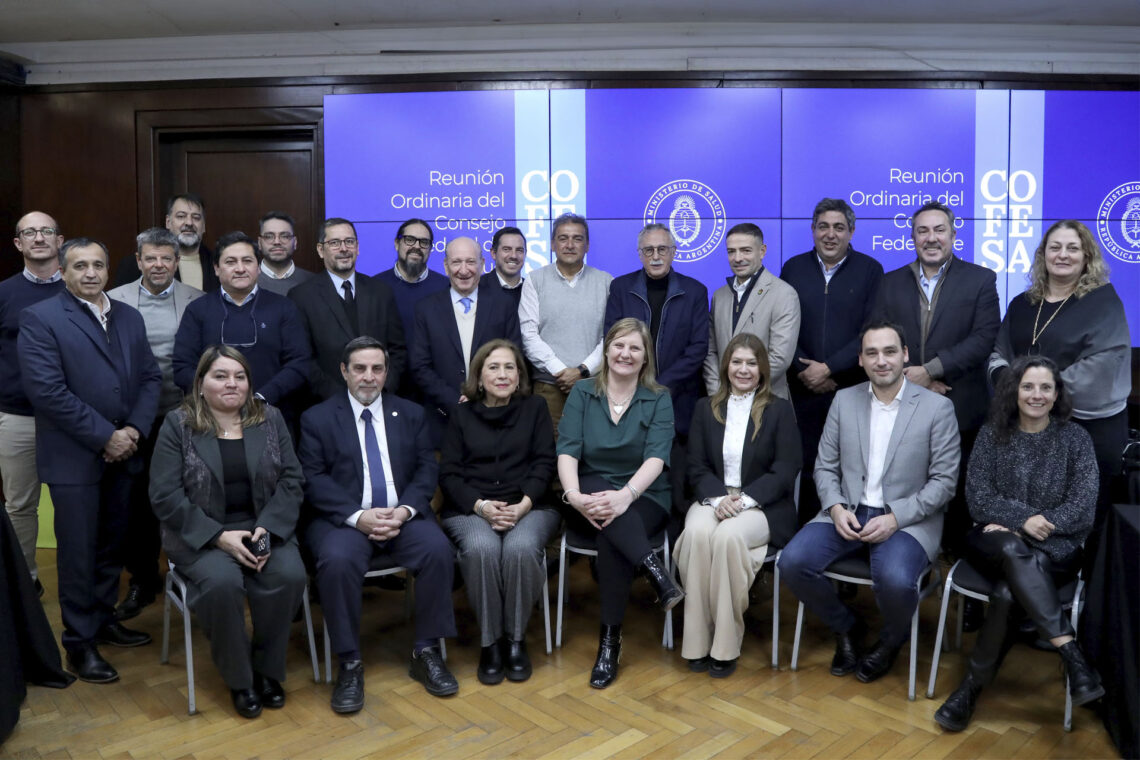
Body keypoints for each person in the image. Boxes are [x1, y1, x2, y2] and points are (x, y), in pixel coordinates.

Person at [778, 321, 959, 685]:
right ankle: (847, 627)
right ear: (860, 360)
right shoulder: (845, 400)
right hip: (847, 510)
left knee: (894, 579)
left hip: (907, 519)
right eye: (872, 353)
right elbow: (825, 466)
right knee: (792, 563)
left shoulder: (937, 409)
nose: (881, 361)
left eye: (890, 351)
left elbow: (944, 483)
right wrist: (834, 507)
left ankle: (891, 642)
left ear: (905, 355)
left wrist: (895, 518)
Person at [18, 238, 162, 683]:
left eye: (98, 264)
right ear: (63, 271)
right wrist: (106, 436)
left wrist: (133, 431)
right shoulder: (40, 318)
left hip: (127, 454)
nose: (91, 273)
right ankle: (79, 644)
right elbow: (47, 392)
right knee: (78, 552)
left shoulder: (129, 317)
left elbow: (150, 378)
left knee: (111, 547)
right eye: (80, 266)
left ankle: (103, 622)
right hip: (75, 459)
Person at [934, 356, 1103, 732]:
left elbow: (1083, 507)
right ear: (1015, 390)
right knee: (1011, 548)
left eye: (1046, 387)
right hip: (993, 543)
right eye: (1028, 386)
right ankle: (1070, 651)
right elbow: (977, 497)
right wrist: (1023, 521)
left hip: (1056, 550)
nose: (1037, 395)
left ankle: (970, 689)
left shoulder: (1076, 439)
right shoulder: (992, 433)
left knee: (1009, 592)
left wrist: (1025, 524)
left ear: (1057, 394)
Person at [298, 336, 458, 714]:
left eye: (377, 369)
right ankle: (350, 663)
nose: (368, 377)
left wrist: (404, 511)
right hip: (344, 522)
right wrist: (359, 517)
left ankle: (426, 651)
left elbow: (425, 469)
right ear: (344, 371)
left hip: (402, 516)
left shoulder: (411, 413)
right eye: (359, 368)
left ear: (386, 372)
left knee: (438, 549)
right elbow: (313, 477)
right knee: (336, 562)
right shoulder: (317, 418)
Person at [149, 346, 307, 719]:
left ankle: (267, 670)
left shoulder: (270, 418)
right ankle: (240, 679)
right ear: (201, 383)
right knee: (222, 584)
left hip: (264, 527)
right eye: (220, 376)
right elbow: (164, 494)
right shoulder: (178, 424)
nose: (231, 383)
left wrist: (266, 531)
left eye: (240, 376)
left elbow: (292, 480)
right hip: (201, 536)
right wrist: (218, 536)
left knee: (288, 574)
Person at [987, 221, 1130, 551]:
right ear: (1042, 255)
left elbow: (1103, 364)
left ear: (1086, 257)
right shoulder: (1023, 304)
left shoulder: (1103, 303)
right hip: (1028, 427)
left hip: (1090, 428)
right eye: (1055, 247)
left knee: (1081, 522)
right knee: (1029, 516)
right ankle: (1028, 582)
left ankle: (1079, 593)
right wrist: (1013, 387)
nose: (1062, 255)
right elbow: (999, 353)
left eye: (1072, 248)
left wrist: (1036, 392)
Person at [557, 318, 682, 689]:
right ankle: (655, 572)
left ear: (645, 358)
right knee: (601, 499)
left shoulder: (659, 398)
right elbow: (567, 451)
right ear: (607, 350)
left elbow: (657, 458)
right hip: (586, 497)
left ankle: (609, 644)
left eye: (635, 348)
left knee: (612, 534)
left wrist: (626, 496)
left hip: (644, 496)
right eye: (619, 345)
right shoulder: (581, 392)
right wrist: (574, 497)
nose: (625, 354)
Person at [873, 202, 1000, 561]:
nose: (931, 238)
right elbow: (881, 338)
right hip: (903, 403)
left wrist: (932, 370)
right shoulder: (890, 282)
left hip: (962, 406)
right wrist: (914, 380)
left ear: (953, 236)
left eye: (939, 230)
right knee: (909, 487)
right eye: (923, 231)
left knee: (959, 495)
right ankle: (910, 555)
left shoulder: (980, 279)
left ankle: (959, 578)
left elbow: (984, 338)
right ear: (912, 238)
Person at [674, 333, 801, 677]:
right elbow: (696, 466)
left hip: (762, 503)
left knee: (728, 537)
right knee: (698, 533)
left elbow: (786, 469)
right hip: (714, 495)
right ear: (726, 365)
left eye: (751, 363)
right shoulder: (706, 408)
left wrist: (743, 500)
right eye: (736, 362)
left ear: (762, 369)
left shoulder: (779, 409)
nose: (743, 369)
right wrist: (718, 499)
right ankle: (697, 642)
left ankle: (726, 644)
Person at [439, 339, 559, 685]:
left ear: (520, 375)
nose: (503, 374)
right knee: (482, 549)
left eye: (510, 367)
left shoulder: (535, 408)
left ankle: (515, 640)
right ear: (478, 377)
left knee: (520, 549)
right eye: (494, 367)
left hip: (530, 504)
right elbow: (449, 474)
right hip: (471, 508)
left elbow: (543, 464)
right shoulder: (460, 415)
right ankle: (490, 642)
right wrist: (482, 507)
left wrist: (522, 505)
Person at [107, 227, 205, 620]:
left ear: (177, 261)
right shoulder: (114, 300)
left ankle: (193, 576)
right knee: (138, 504)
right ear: (138, 259)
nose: (159, 264)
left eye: (167, 258)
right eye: (151, 257)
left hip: (185, 415)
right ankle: (144, 580)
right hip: (134, 420)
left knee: (190, 497)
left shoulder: (197, 300)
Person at [781, 199, 883, 525]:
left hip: (850, 387)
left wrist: (830, 368)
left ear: (851, 231)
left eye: (839, 227)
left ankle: (849, 533)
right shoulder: (793, 268)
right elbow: (783, 327)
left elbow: (871, 331)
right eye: (823, 226)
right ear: (812, 230)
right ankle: (804, 538)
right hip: (801, 389)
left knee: (852, 467)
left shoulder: (871, 270)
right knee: (807, 467)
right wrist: (804, 369)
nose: (830, 234)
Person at [604, 223, 709, 527]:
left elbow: (699, 347)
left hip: (678, 399)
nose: (656, 256)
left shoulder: (695, 291)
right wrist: (636, 385)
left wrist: (660, 385)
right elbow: (612, 339)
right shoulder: (621, 288)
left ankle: (673, 550)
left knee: (674, 480)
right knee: (629, 471)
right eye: (648, 250)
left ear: (674, 252)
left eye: (662, 249)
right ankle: (628, 536)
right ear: (639, 254)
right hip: (626, 396)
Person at [0, 211, 66, 594]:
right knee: (20, 506)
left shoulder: (79, 290)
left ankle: (78, 585)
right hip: (16, 417)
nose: (38, 237)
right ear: (18, 244)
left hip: (68, 419)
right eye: (29, 232)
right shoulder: (4, 293)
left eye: (46, 231)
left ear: (60, 241)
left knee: (73, 503)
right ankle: (26, 584)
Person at [173, 231, 310, 413]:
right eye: (230, 262)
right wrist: (216, 397)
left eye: (247, 261)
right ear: (216, 268)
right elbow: (182, 366)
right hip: (210, 416)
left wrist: (262, 399)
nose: (240, 269)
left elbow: (299, 362)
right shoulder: (197, 310)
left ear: (258, 267)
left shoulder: (283, 307)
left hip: (272, 412)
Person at [410, 236, 522, 446]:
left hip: (496, 415)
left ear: (482, 264)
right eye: (456, 262)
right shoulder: (426, 309)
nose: (464, 270)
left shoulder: (503, 305)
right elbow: (420, 366)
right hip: (443, 418)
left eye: (470, 262)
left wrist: (485, 398)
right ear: (445, 266)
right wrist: (454, 401)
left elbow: (516, 358)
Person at [289, 217, 407, 399]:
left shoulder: (381, 292)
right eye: (335, 243)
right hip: (326, 405)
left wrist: (382, 389)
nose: (344, 249)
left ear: (357, 247)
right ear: (321, 250)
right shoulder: (301, 296)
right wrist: (341, 398)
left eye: (349, 242)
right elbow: (303, 358)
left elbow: (397, 351)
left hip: (379, 400)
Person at [520, 213, 613, 432]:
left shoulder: (607, 282)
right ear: (552, 244)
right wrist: (562, 372)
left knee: (594, 454)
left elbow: (610, 337)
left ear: (587, 245)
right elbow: (528, 334)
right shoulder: (534, 280)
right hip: (549, 388)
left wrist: (581, 371)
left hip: (595, 386)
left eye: (577, 238)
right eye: (563, 238)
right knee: (550, 457)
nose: (570, 244)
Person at [704, 222, 800, 401]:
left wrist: (740, 392)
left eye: (746, 250)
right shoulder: (719, 295)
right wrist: (718, 393)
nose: (737, 258)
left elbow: (780, 357)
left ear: (762, 251)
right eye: (731, 251)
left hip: (766, 402)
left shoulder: (784, 294)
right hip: (722, 402)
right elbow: (711, 352)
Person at [115, 193, 217, 291]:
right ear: (168, 222)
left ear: (203, 226)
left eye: (196, 217)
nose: (189, 223)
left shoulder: (218, 264)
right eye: (181, 216)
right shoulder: (133, 265)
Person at [375, 218, 450, 346]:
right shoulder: (376, 286)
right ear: (397, 244)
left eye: (424, 242)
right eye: (409, 240)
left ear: (430, 249)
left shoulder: (445, 287)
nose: (416, 246)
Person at [256, 211, 314, 296]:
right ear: (259, 243)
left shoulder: (312, 281)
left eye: (285, 236)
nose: (277, 242)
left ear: (295, 242)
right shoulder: (245, 281)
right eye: (269, 236)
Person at [481, 226, 528, 306]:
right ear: (493, 253)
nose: (513, 256)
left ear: (525, 254)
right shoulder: (478, 288)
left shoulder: (533, 290)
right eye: (506, 249)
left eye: (519, 250)